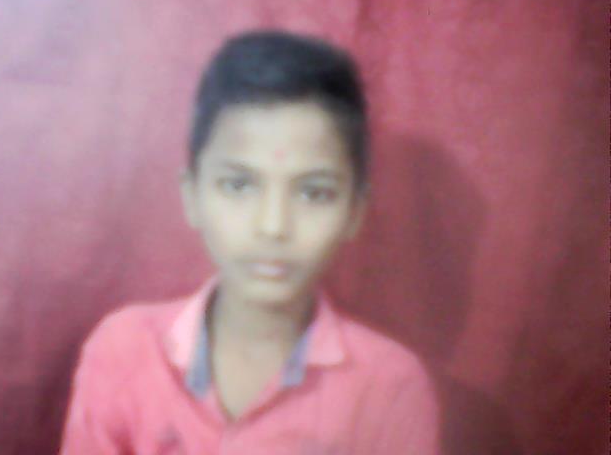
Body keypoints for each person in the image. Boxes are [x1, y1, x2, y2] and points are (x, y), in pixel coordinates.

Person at [60, 30, 440, 454]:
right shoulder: (124, 350)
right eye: (238, 185)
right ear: (192, 197)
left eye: (314, 193)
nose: (273, 226)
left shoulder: (389, 388)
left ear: (354, 212)